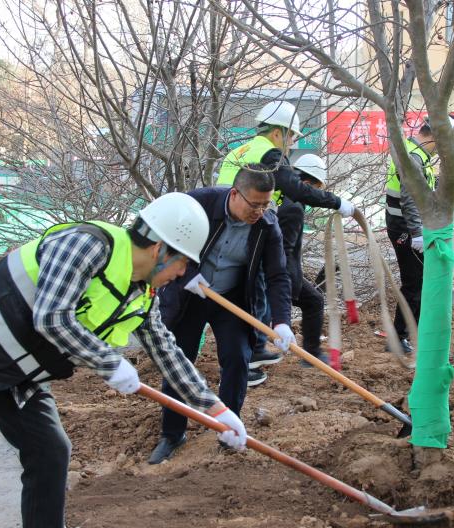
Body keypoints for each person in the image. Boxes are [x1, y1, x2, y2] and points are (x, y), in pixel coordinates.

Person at [0, 193, 249, 528]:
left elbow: (166, 350)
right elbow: (52, 317)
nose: (183, 273)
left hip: (20, 372)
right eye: (182, 262)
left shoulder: (141, 293)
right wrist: (109, 363)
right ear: (159, 250)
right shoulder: (87, 245)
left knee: (50, 451)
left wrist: (216, 410)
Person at [149, 165, 293, 465]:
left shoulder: (267, 225)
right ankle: (172, 433)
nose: (260, 212)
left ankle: (228, 429)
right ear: (235, 194)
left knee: (238, 358)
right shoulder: (198, 204)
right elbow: (163, 239)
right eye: (254, 204)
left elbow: (278, 275)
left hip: (232, 297)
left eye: (266, 205)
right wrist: (188, 273)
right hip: (189, 294)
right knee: (179, 358)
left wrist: (281, 321)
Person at [216, 101, 354, 382]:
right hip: (242, 228)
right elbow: (296, 189)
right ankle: (247, 359)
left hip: (225, 228)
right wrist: (337, 202)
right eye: (291, 136)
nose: (291, 144)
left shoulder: (241, 151)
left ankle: (251, 355)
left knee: (246, 297)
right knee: (253, 296)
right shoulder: (270, 154)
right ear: (278, 132)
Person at [384, 116, 452, 353]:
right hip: (405, 228)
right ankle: (398, 337)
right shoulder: (414, 157)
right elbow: (409, 197)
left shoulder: (417, 154)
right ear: (435, 137)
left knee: (418, 281)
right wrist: (416, 233)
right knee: (413, 283)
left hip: (408, 227)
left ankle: (410, 332)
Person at [278, 154, 329, 366]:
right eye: (314, 190)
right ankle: (311, 354)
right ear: (306, 184)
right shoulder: (294, 208)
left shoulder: (281, 196)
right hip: (279, 273)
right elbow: (284, 251)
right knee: (314, 301)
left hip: (271, 270)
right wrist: (292, 283)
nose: (314, 196)